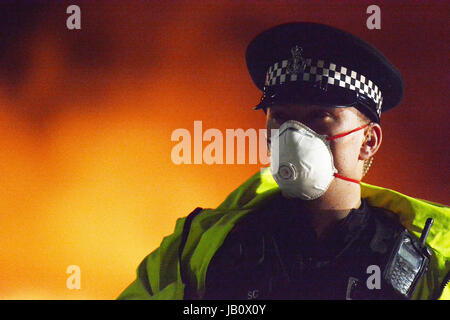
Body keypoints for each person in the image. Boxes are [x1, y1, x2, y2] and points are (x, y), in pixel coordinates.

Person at [117, 22, 449, 300]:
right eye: (281, 118)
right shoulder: (202, 248)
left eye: (320, 116)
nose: (295, 135)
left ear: (368, 140)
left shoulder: (428, 267)